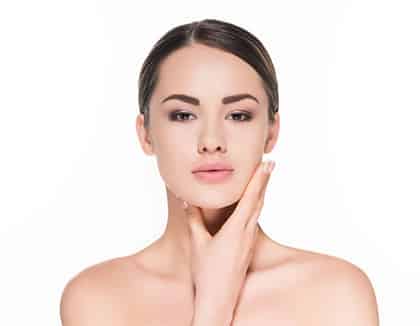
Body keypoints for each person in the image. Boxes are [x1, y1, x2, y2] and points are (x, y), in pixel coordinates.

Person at [60, 19, 379, 325]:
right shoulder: (98, 297)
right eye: (183, 115)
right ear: (146, 134)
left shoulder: (335, 292)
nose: (211, 142)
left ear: (271, 131)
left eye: (238, 115)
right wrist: (212, 307)